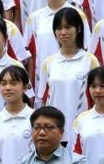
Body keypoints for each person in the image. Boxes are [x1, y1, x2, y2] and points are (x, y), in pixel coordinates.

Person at [37, 8, 100, 150]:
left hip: (82, 130)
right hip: (54, 133)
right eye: (59, 28)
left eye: (68, 27)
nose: (63, 32)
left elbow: (97, 96)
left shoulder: (90, 61)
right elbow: (42, 100)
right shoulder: (48, 63)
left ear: (78, 29)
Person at [25, 0, 90, 79]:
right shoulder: (34, 18)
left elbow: (87, 48)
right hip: (45, 80)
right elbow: (30, 55)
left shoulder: (78, 14)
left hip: (74, 78)